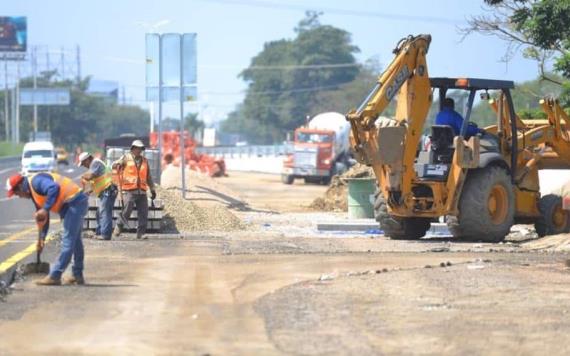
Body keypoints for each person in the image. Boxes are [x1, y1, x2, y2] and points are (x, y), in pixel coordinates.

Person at [6, 172, 88, 285]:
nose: (19, 196)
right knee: (76, 242)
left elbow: (54, 187)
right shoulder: (34, 194)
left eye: (16, 193)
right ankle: (77, 275)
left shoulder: (36, 182)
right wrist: (42, 239)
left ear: (20, 186)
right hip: (73, 203)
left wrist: (45, 209)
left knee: (68, 241)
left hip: (74, 202)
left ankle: (55, 275)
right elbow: (43, 218)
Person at [112, 140, 157, 240]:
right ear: (133, 148)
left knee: (143, 212)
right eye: (137, 148)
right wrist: (116, 165)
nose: (139, 150)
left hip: (142, 191)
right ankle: (118, 227)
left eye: (141, 148)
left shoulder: (145, 161)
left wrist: (152, 189)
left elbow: (148, 177)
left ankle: (140, 234)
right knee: (127, 210)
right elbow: (114, 165)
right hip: (129, 190)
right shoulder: (126, 158)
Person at [78, 152, 117, 240]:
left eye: (84, 163)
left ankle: (105, 235)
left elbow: (91, 176)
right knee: (100, 213)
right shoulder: (95, 164)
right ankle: (99, 232)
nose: (84, 166)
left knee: (105, 213)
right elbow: (100, 179)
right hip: (107, 190)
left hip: (108, 190)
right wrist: (90, 191)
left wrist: (83, 176)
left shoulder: (95, 163)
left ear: (87, 159)